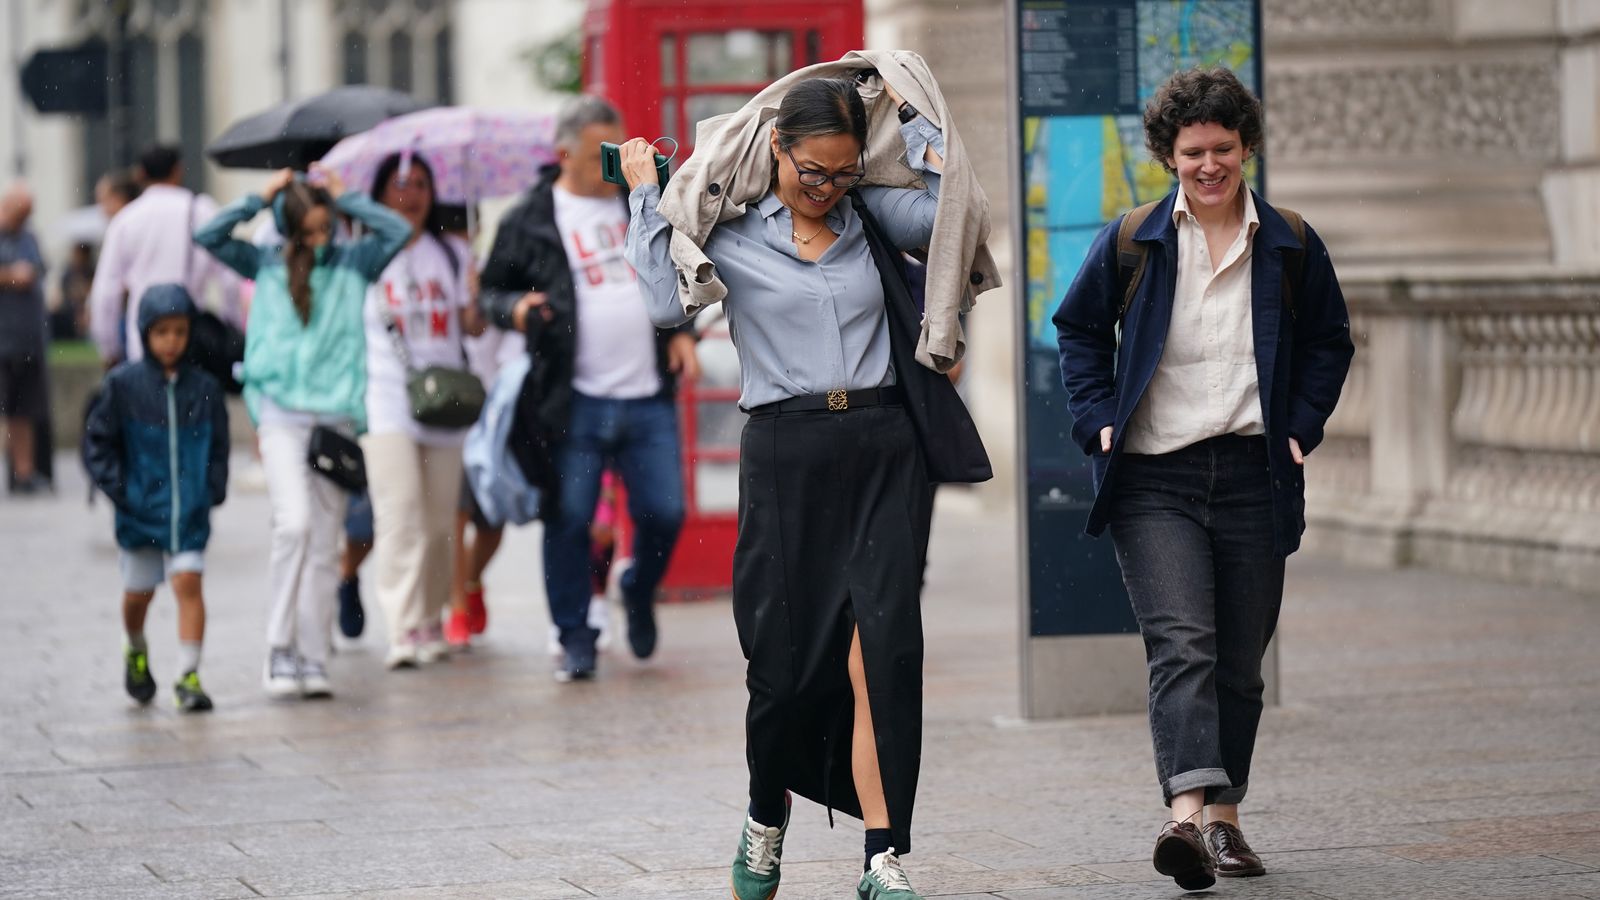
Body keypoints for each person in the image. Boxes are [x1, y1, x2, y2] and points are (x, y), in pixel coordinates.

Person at [624, 77, 952, 900]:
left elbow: (952, 218)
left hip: (882, 448)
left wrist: (912, 124)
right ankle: (766, 814)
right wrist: (642, 198)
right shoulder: (731, 234)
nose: (827, 189)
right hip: (786, 453)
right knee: (783, 668)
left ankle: (884, 856)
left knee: (885, 651)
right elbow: (666, 308)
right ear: (777, 147)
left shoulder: (873, 216)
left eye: (843, 173)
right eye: (814, 172)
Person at [1053, 67, 1354, 891]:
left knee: (1239, 663)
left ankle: (1223, 822)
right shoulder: (1133, 239)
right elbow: (1077, 332)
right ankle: (1187, 814)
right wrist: (1096, 420)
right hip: (1155, 477)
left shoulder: (1290, 241)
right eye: (1193, 151)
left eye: (1224, 148)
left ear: (1246, 148)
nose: (1210, 165)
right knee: (1182, 641)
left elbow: (1331, 342)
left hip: (1256, 474)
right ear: (1168, 155)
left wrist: (1300, 427)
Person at [479, 94, 699, 682]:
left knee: (666, 512)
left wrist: (685, 333)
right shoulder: (529, 218)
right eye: (604, 153)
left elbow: (685, 264)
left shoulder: (644, 199)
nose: (617, 164)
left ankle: (638, 586)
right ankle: (575, 634)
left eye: (621, 150)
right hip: (571, 398)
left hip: (647, 393)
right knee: (570, 518)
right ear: (563, 155)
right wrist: (515, 308)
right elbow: (487, 295)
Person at [195, 164, 411, 700]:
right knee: (292, 527)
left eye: (324, 227)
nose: (318, 240)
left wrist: (347, 197)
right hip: (281, 419)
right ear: (288, 229)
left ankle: (313, 657)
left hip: (335, 421)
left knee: (323, 545)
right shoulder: (263, 262)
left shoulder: (354, 262)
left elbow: (398, 231)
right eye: (307, 231)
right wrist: (258, 198)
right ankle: (278, 648)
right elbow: (208, 236)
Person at [359, 154, 484, 669]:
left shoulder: (451, 253)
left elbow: (471, 328)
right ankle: (402, 625)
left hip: (445, 401)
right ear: (380, 193)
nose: (409, 195)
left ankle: (432, 617)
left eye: (419, 185)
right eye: (398, 184)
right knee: (401, 513)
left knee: (439, 523)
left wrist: (476, 293)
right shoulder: (364, 255)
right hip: (387, 397)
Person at [82, 284, 228, 712]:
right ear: (145, 333)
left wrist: (212, 489)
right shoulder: (123, 385)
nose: (171, 342)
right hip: (140, 514)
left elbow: (218, 444)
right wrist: (124, 492)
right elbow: (97, 443)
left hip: (189, 514)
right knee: (138, 593)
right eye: (162, 332)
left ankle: (188, 675)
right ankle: (135, 644)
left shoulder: (204, 387)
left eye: (180, 332)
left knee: (188, 581)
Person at [88, 145, 239, 367]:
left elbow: (106, 291)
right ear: (178, 171)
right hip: (192, 337)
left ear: (140, 174)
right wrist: (231, 323)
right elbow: (230, 279)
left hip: (142, 339)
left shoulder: (126, 220)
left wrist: (108, 346)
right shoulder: (203, 211)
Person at [0, 181, 50, 495]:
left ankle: (25, 472)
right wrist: (9, 276)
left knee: (24, 409)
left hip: (29, 339)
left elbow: (41, 269)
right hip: (2, 340)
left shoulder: (29, 237)